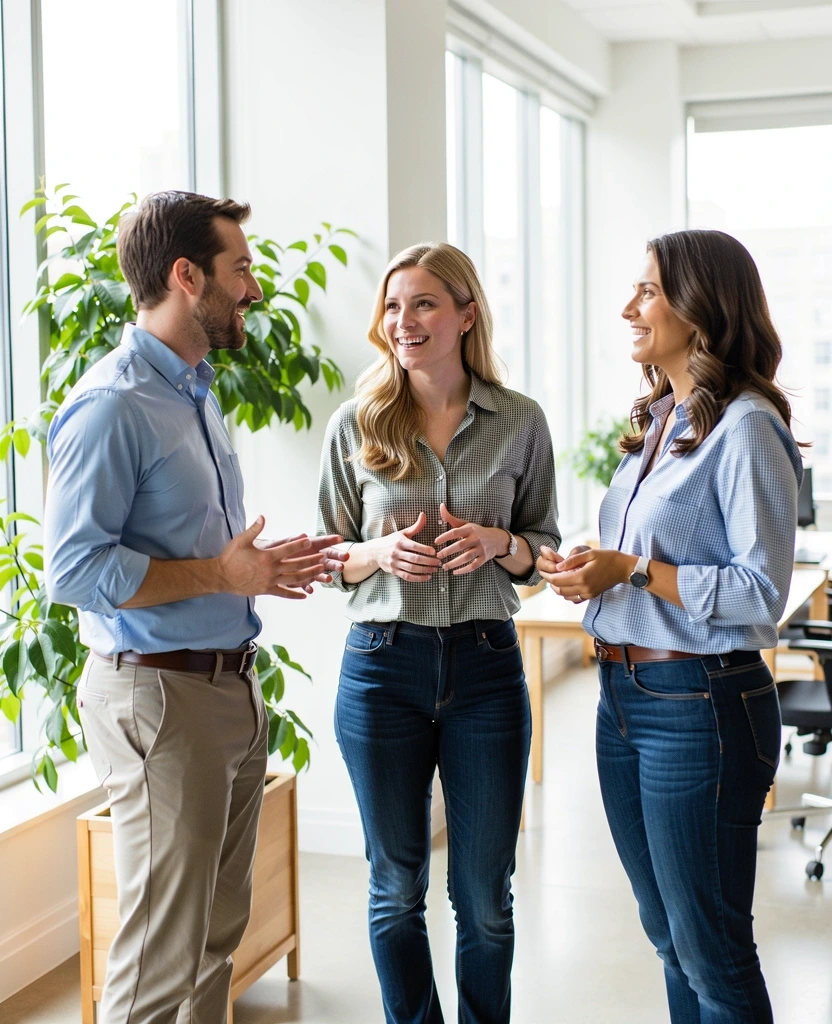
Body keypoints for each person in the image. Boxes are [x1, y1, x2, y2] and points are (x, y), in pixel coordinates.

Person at [44, 191, 346, 1024]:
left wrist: (253, 569)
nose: (253, 288)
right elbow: (73, 570)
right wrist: (222, 575)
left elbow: (205, 557)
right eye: (240, 268)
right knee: (159, 959)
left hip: (225, 691)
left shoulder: (193, 391)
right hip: (159, 700)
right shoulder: (114, 404)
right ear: (187, 276)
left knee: (214, 939)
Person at [538, 229, 802, 1024]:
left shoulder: (747, 426)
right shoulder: (664, 417)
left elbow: (761, 593)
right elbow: (648, 555)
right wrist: (597, 566)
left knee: (711, 947)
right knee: (667, 936)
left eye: (647, 291)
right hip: (626, 693)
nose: (629, 307)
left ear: (700, 308)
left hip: (702, 703)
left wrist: (632, 570)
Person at [317, 241, 560, 1024]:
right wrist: (376, 553)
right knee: (395, 887)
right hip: (382, 671)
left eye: (423, 303)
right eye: (392, 306)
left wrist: (503, 544)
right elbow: (328, 558)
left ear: (465, 313)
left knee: (485, 896)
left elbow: (544, 547)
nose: (403, 321)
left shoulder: (520, 420)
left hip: (487, 668)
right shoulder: (354, 423)